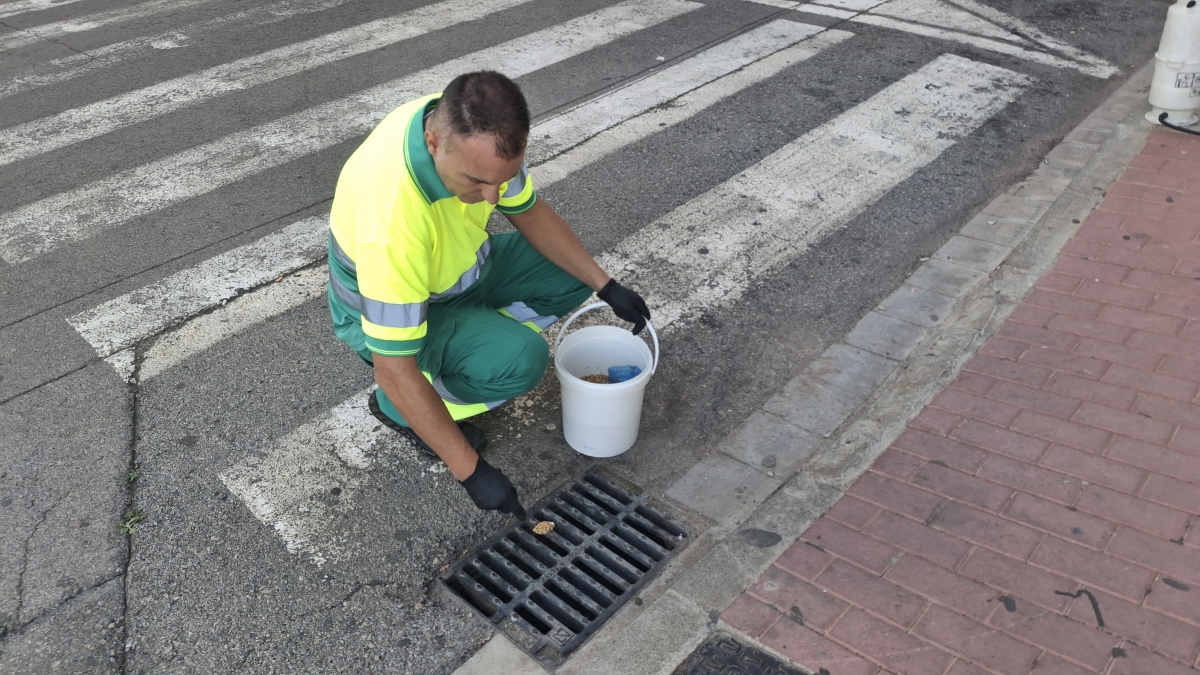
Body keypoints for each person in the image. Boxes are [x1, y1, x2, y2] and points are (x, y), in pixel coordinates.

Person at [326, 71, 651, 519]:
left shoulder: (469, 129)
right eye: (477, 182)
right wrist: (471, 471)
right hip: (395, 311)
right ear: (434, 142)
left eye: (504, 179)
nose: (492, 196)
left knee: (571, 273)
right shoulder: (392, 222)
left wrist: (607, 286)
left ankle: (475, 337)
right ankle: (402, 411)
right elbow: (393, 367)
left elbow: (529, 209)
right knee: (522, 359)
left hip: (459, 272)